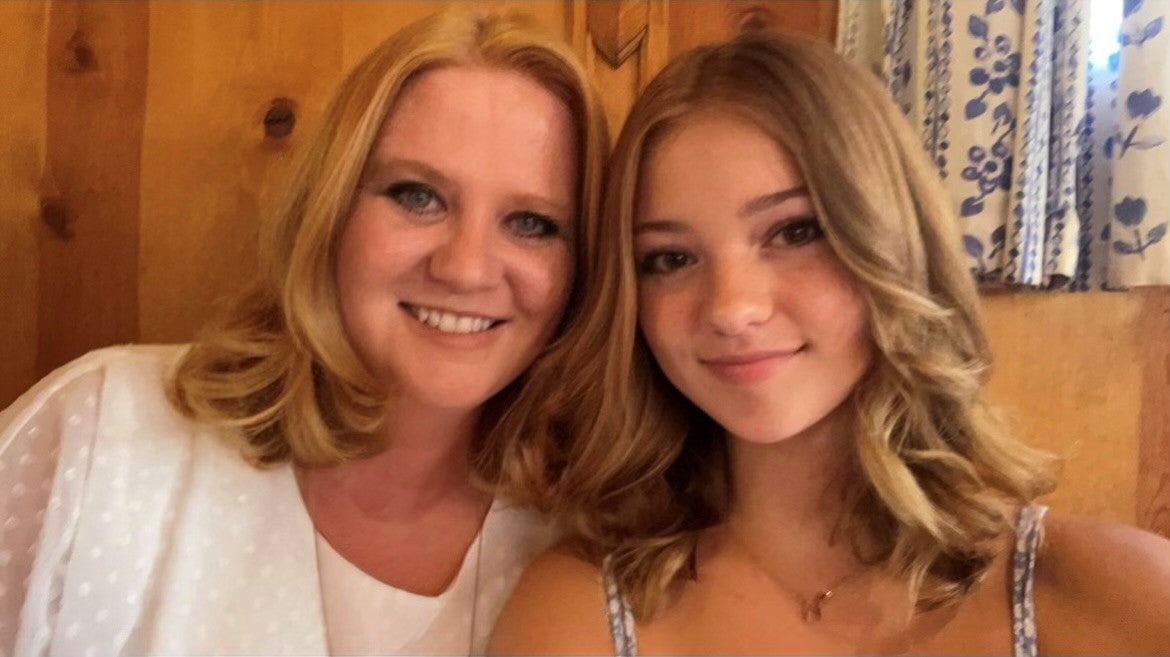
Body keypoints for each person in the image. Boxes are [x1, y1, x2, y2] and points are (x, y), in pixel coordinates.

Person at [488, 31, 1170, 656]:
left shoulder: (1107, 593)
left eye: (793, 232)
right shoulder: (579, 610)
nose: (731, 308)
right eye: (669, 259)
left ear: (892, 244)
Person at [0, 10, 607, 656]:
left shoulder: (597, 541)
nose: (465, 267)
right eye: (417, 196)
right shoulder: (99, 434)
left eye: (533, 223)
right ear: (333, 209)